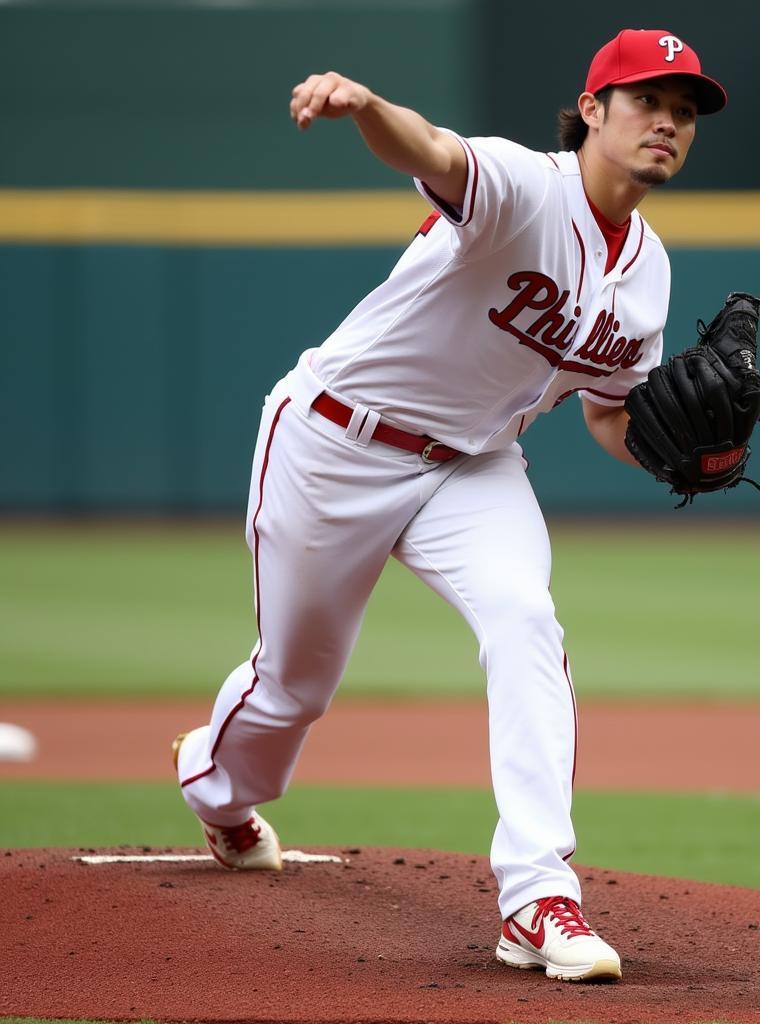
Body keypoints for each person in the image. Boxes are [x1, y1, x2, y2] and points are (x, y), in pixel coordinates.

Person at [173, 28, 727, 983]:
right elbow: (431, 149)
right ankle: (218, 795)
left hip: (472, 467)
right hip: (334, 441)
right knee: (294, 686)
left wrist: (686, 457)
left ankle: (537, 897)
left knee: (525, 620)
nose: (667, 124)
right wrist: (363, 106)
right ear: (592, 110)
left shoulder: (649, 272)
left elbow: (607, 413)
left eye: (683, 112)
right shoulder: (524, 184)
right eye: (647, 102)